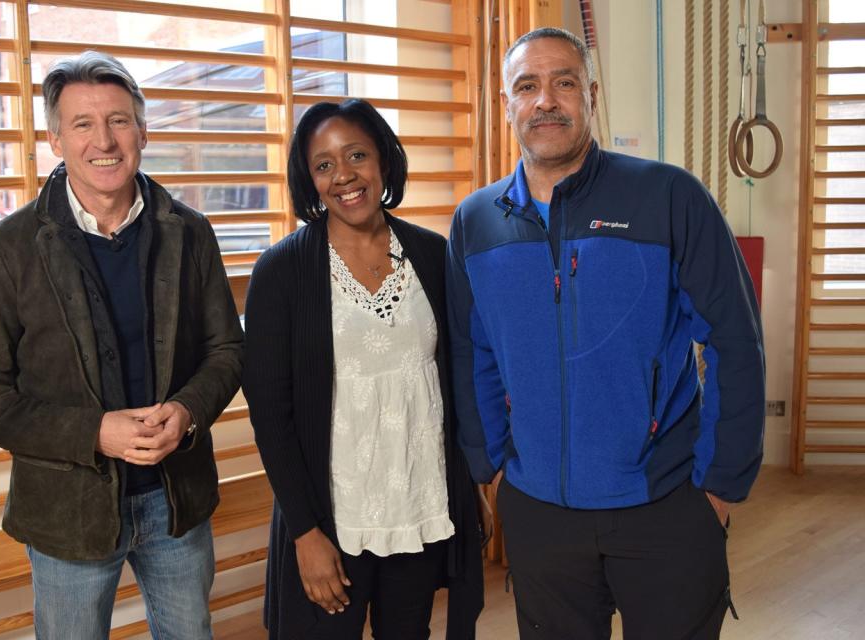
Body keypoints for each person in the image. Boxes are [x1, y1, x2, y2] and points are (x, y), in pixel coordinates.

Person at [446, 27, 765, 640]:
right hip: (540, 514)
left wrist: (722, 481)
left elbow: (734, 337)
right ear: (508, 106)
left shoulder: (669, 196)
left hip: (665, 504)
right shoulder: (475, 221)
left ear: (590, 94)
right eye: (527, 87)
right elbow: (472, 352)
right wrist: (490, 466)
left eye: (563, 82)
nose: (546, 100)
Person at [0, 51, 244, 639]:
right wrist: (93, 433)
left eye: (119, 120)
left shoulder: (191, 231)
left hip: (176, 500)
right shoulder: (6, 248)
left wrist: (186, 413)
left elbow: (227, 351)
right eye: (82, 123)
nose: (103, 140)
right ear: (56, 138)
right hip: (65, 512)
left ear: (143, 131)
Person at [243, 98, 484, 640]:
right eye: (324, 165)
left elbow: (454, 385)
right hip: (332, 524)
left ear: (383, 161)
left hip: (416, 509)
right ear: (309, 180)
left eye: (357, 155)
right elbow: (271, 415)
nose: (344, 176)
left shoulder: (431, 254)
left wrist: (468, 492)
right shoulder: (281, 271)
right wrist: (305, 534)